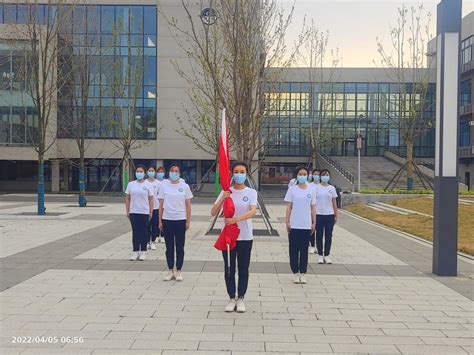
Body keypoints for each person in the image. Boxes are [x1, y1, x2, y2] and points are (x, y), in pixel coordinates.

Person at [211, 161, 257, 313]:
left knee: (243, 269)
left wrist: (236, 219)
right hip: (229, 238)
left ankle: (241, 297)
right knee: (229, 269)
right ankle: (231, 298)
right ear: (232, 174)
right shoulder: (227, 191)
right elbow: (213, 211)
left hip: (245, 236)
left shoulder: (251, 192)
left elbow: (252, 212)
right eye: (236, 171)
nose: (239, 174)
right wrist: (223, 198)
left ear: (246, 173)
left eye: (242, 171)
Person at [158, 164, 193, 281]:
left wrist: (188, 221)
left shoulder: (185, 186)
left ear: (180, 173)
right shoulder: (164, 186)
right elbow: (161, 205)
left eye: (176, 171)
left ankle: (178, 270)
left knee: (180, 246)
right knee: (169, 247)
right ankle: (170, 270)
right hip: (167, 219)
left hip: (180, 219)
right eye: (172, 170)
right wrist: (160, 221)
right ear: (169, 172)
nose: (174, 172)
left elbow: (188, 205)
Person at [285, 166, 316, 284]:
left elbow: (313, 207)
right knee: (293, 250)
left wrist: (314, 222)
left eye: (304, 174)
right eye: (300, 174)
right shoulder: (292, 189)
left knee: (304, 250)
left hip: (306, 224)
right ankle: (295, 273)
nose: (302, 176)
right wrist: (287, 221)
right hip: (294, 224)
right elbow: (289, 207)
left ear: (307, 176)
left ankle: (303, 273)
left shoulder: (311, 189)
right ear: (297, 175)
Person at [125, 165, 154, 261]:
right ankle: (135, 251)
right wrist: (128, 210)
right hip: (134, 212)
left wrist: (150, 211)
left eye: (141, 171)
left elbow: (151, 199)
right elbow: (128, 198)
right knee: (135, 232)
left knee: (144, 232)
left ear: (144, 173)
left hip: (144, 212)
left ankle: (143, 252)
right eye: (137, 171)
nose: (139, 173)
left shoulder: (148, 185)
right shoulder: (131, 184)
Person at [314, 169, 338, 264]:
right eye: (323, 175)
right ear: (320, 176)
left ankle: (327, 255)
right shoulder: (316, 188)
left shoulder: (331, 188)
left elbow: (334, 202)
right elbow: (313, 202)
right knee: (319, 235)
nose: (325, 176)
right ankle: (320, 255)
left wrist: (336, 214)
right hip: (318, 214)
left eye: (327, 175)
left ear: (329, 176)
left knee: (328, 236)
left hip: (329, 215)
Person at [146, 166, 161, 250]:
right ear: (147, 172)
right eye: (149, 170)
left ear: (155, 172)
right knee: (147, 226)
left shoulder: (158, 183)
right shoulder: (145, 183)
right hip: (146, 208)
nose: (151, 172)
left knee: (155, 225)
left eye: (152, 170)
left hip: (156, 207)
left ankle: (153, 241)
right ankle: (147, 241)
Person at [309, 168, 321, 254]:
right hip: (311, 211)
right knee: (312, 229)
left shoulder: (323, 186)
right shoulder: (309, 185)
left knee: (319, 230)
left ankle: (318, 246)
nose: (316, 176)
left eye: (318, 174)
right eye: (315, 174)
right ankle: (312, 245)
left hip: (321, 212)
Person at [154, 166, 166, 243]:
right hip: (155, 204)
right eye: (159, 172)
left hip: (164, 204)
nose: (160, 173)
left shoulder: (166, 182)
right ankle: (155, 235)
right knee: (156, 221)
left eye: (162, 172)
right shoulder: (154, 182)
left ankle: (162, 235)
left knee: (163, 220)